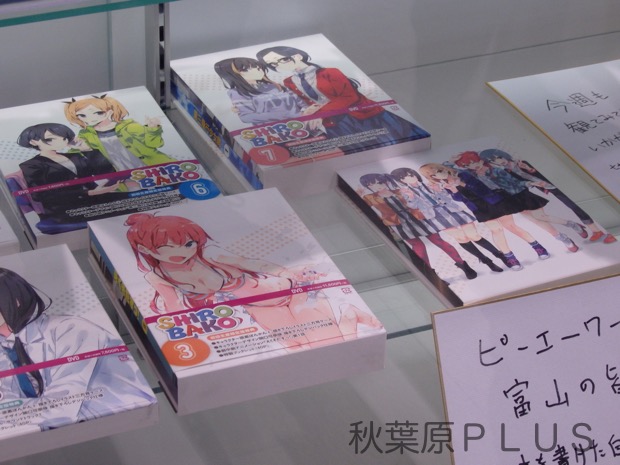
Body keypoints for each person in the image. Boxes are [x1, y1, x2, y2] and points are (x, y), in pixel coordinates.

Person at [125, 213, 380, 349]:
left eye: (188, 243)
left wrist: (288, 273)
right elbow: (173, 307)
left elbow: (254, 264)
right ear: (146, 250)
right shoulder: (157, 276)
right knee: (298, 347)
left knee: (331, 343)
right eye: (168, 248)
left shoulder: (209, 255)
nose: (182, 251)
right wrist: (181, 335)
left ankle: (348, 314)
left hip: (287, 293)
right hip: (254, 307)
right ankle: (348, 315)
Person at [0, 268, 155, 431]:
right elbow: (8, 401)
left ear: (15, 301)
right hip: (55, 431)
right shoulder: (5, 346)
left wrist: (12, 412)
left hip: (122, 420)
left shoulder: (71, 331)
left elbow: (61, 409)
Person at [256, 45, 428, 151]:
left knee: (395, 145)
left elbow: (349, 97)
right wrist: (309, 110)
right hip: (335, 123)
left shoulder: (330, 72)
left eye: (281, 60)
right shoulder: (289, 81)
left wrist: (320, 112)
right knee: (356, 152)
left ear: (297, 56)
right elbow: (309, 101)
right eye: (273, 64)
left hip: (366, 115)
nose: (278, 66)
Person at [478, 148, 617, 244]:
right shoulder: (506, 170)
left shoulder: (521, 163)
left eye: (499, 157)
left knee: (584, 202)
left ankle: (610, 231)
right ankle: (596, 230)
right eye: (493, 160)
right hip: (550, 187)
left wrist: (530, 169)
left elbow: (544, 170)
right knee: (574, 206)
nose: (499, 161)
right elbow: (522, 181)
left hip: (562, 182)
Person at [453, 151, 579, 254]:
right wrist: (453, 161)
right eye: (468, 165)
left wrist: (532, 183)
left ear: (480, 160)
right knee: (535, 220)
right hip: (508, 199)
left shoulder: (496, 170)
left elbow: (515, 182)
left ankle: (569, 227)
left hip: (521, 194)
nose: (474, 166)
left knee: (540, 217)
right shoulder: (474, 176)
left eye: (474, 162)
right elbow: (450, 172)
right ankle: (563, 236)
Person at [359, 172, 478, 280]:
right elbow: (362, 208)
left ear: (386, 182)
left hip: (417, 218)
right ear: (368, 187)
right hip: (398, 224)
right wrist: (358, 194)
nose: (377, 186)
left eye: (379, 182)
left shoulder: (400, 190)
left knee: (438, 241)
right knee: (419, 247)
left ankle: (463, 264)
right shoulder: (369, 197)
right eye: (372, 185)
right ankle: (432, 276)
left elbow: (417, 202)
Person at [390, 167, 504, 273]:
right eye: (405, 177)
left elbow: (448, 198)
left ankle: (500, 255)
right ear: (401, 181)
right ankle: (487, 261)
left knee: (474, 235)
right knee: (462, 238)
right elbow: (413, 206)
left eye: (411, 174)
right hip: (436, 216)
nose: (411, 177)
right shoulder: (405, 192)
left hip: (452, 210)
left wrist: (439, 191)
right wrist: (411, 197)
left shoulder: (430, 183)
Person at [16, 123, 120, 225]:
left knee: (125, 204)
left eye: (64, 138)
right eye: (50, 139)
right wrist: (89, 192)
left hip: (96, 201)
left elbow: (107, 172)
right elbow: (40, 195)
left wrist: (87, 150)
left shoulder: (74, 156)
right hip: (64, 209)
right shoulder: (31, 165)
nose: (60, 141)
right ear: (34, 142)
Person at [64, 94, 175, 171]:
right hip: (120, 173)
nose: (90, 118)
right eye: (82, 115)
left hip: (155, 167)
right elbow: (80, 159)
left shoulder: (129, 126)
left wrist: (153, 129)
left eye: (98, 113)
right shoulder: (85, 134)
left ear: (110, 112)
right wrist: (79, 149)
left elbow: (155, 144)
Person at [214, 57, 311, 124]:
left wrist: (307, 111)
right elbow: (246, 117)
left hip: (305, 123)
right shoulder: (237, 92)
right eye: (247, 69)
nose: (258, 69)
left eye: (258, 67)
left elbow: (298, 100)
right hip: (277, 130)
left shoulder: (274, 85)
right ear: (235, 74)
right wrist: (289, 115)